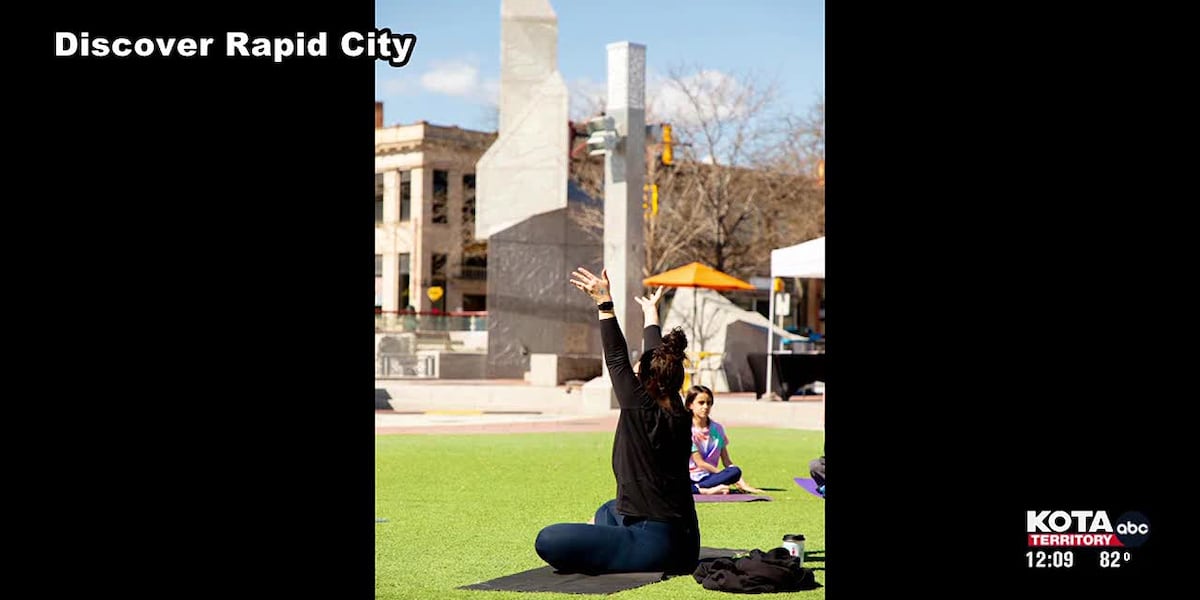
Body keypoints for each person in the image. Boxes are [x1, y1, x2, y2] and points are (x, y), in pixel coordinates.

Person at [534, 268, 700, 575]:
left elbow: (616, 358)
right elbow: (656, 356)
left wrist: (604, 302)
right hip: (686, 537)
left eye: (638, 376)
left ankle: (619, 545)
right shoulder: (677, 407)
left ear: (648, 382)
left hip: (658, 543)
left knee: (548, 540)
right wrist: (651, 314)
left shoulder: (641, 408)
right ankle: (611, 537)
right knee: (608, 509)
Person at [685, 385, 765, 495]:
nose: (706, 406)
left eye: (709, 403)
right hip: (690, 476)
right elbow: (700, 463)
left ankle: (698, 488)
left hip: (710, 477)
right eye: (701, 403)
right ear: (690, 405)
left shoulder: (717, 429)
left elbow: (726, 460)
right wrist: (721, 473)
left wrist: (742, 483)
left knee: (735, 471)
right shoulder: (686, 429)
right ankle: (702, 489)